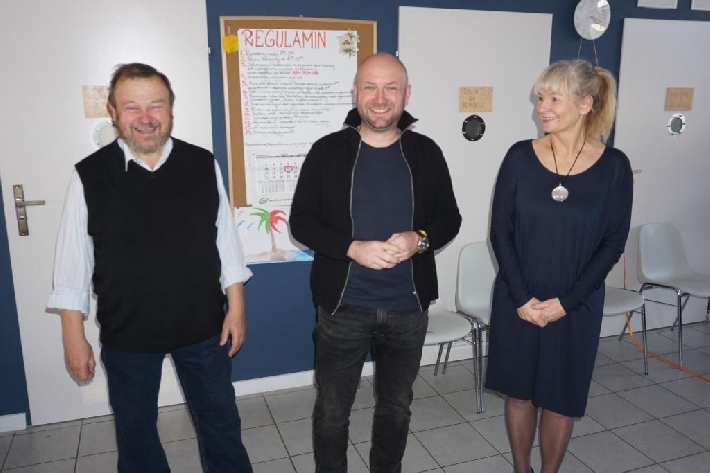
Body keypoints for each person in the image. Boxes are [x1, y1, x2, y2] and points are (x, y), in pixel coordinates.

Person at [47, 63, 253, 473]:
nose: (145, 117)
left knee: (221, 426)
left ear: (171, 108)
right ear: (113, 112)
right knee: (136, 437)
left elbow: (226, 242)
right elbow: (73, 261)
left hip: (203, 328)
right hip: (128, 333)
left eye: (156, 105)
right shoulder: (89, 175)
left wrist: (237, 306)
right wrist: (74, 335)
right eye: (132, 107)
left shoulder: (202, 164)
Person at [289, 52, 461, 472]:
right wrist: (352, 248)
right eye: (370, 87)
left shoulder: (426, 152)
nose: (380, 98)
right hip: (343, 308)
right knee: (332, 412)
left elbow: (449, 218)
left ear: (406, 94)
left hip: (408, 309)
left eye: (390, 88)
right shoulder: (327, 151)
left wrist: (418, 240)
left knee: (396, 409)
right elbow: (301, 222)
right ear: (355, 92)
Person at [484, 59, 633, 473]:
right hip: (519, 299)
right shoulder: (519, 156)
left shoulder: (614, 166)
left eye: (553, 99)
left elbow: (612, 243)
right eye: (540, 98)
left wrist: (566, 303)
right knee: (519, 394)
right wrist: (521, 298)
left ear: (586, 104)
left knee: (560, 399)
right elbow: (501, 232)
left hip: (576, 305)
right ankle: (522, 469)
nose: (541, 108)